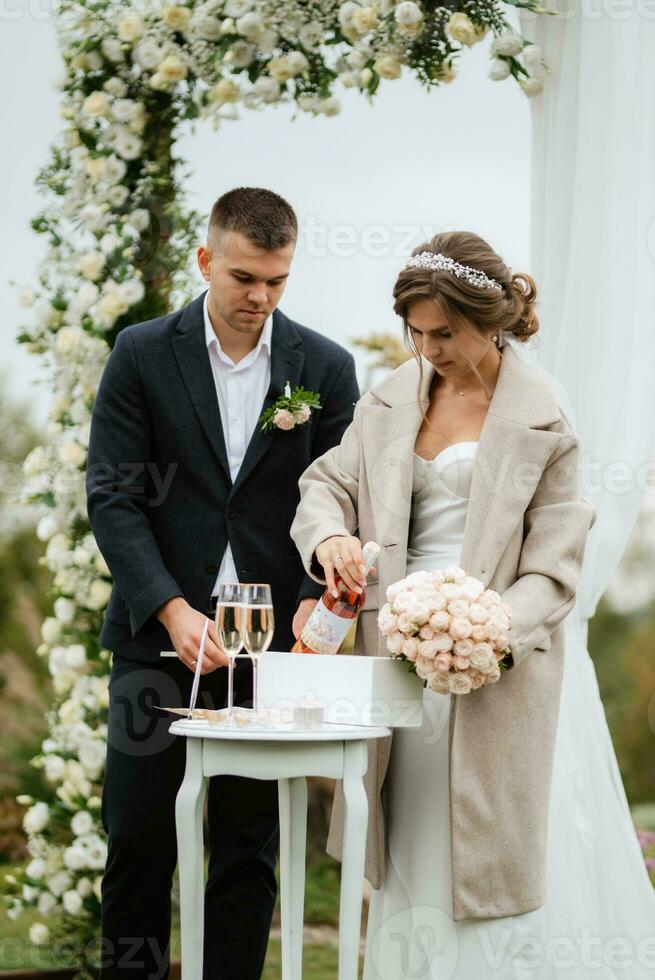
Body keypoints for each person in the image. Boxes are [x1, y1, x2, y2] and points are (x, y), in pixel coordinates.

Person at [290, 229, 654, 978]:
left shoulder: (545, 416)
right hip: (392, 657)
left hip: (497, 668)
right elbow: (326, 484)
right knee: (411, 843)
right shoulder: (391, 396)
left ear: (489, 321)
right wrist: (328, 538)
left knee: (490, 852)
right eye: (416, 332)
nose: (428, 348)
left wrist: (486, 633)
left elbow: (553, 572)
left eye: (444, 333)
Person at [86, 186, 359, 979]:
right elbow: (114, 493)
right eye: (244, 277)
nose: (260, 297)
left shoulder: (327, 367)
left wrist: (315, 596)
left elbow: (338, 496)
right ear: (206, 260)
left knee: (246, 848)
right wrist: (170, 608)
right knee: (137, 838)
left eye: (276, 280)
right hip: (154, 640)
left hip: (268, 654)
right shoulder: (141, 352)